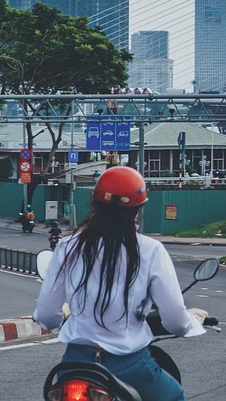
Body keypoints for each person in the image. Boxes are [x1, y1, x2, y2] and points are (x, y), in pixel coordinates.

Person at [34, 166, 207, 401]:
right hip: (129, 365)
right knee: (175, 396)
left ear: (94, 204)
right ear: (138, 210)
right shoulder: (150, 250)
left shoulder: (67, 247)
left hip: (75, 364)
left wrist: (63, 315)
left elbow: (45, 316)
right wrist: (192, 322)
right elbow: (176, 321)